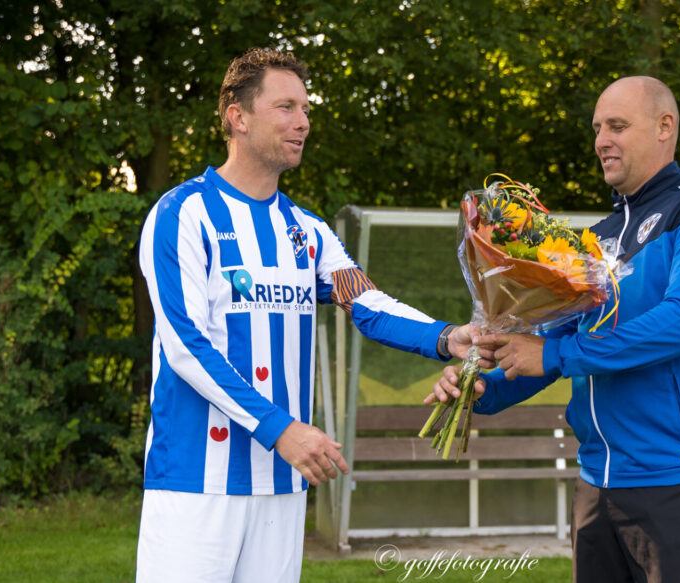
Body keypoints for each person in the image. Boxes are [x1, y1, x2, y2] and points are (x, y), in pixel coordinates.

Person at [136, 48, 482, 583]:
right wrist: (281, 429)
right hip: (195, 479)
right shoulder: (182, 213)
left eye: (305, 109)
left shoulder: (308, 231)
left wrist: (447, 337)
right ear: (237, 116)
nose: (303, 122)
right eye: (286, 107)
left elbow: (366, 303)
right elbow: (186, 346)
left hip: (282, 481)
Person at [429, 76, 680, 582]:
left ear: (664, 127)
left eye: (617, 126)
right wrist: (483, 390)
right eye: (598, 128)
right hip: (598, 480)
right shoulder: (594, 240)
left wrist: (554, 355)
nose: (602, 140)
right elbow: (554, 344)